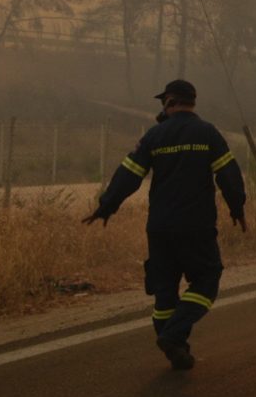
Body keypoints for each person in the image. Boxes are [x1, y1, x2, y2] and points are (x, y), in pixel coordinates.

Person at [82, 79, 246, 370]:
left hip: (160, 228)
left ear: (170, 101)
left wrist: (107, 206)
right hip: (196, 227)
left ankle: (176, 347)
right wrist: (237, 206)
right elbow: (228, 174)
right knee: (207, 280)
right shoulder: (208, 133)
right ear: (192, 102)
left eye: (163, 103)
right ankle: (173, 337)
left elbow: (129, 174)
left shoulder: (154, 136)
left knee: (164, 291)